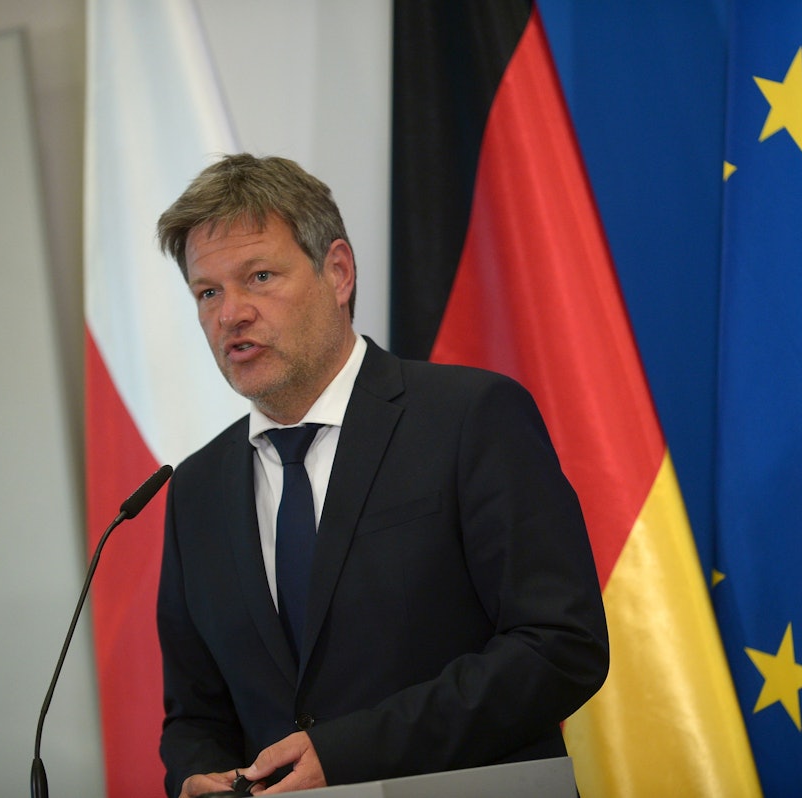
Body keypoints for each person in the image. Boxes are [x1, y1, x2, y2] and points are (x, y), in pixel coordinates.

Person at [155, 153, 608, 797]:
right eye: (208, 291)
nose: (231, 314)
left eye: (259, 276)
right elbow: (195, 713)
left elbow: (561, 644)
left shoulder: (469, 418)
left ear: (337, 272)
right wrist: (196, 776)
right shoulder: (195, 488)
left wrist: (347, 753)